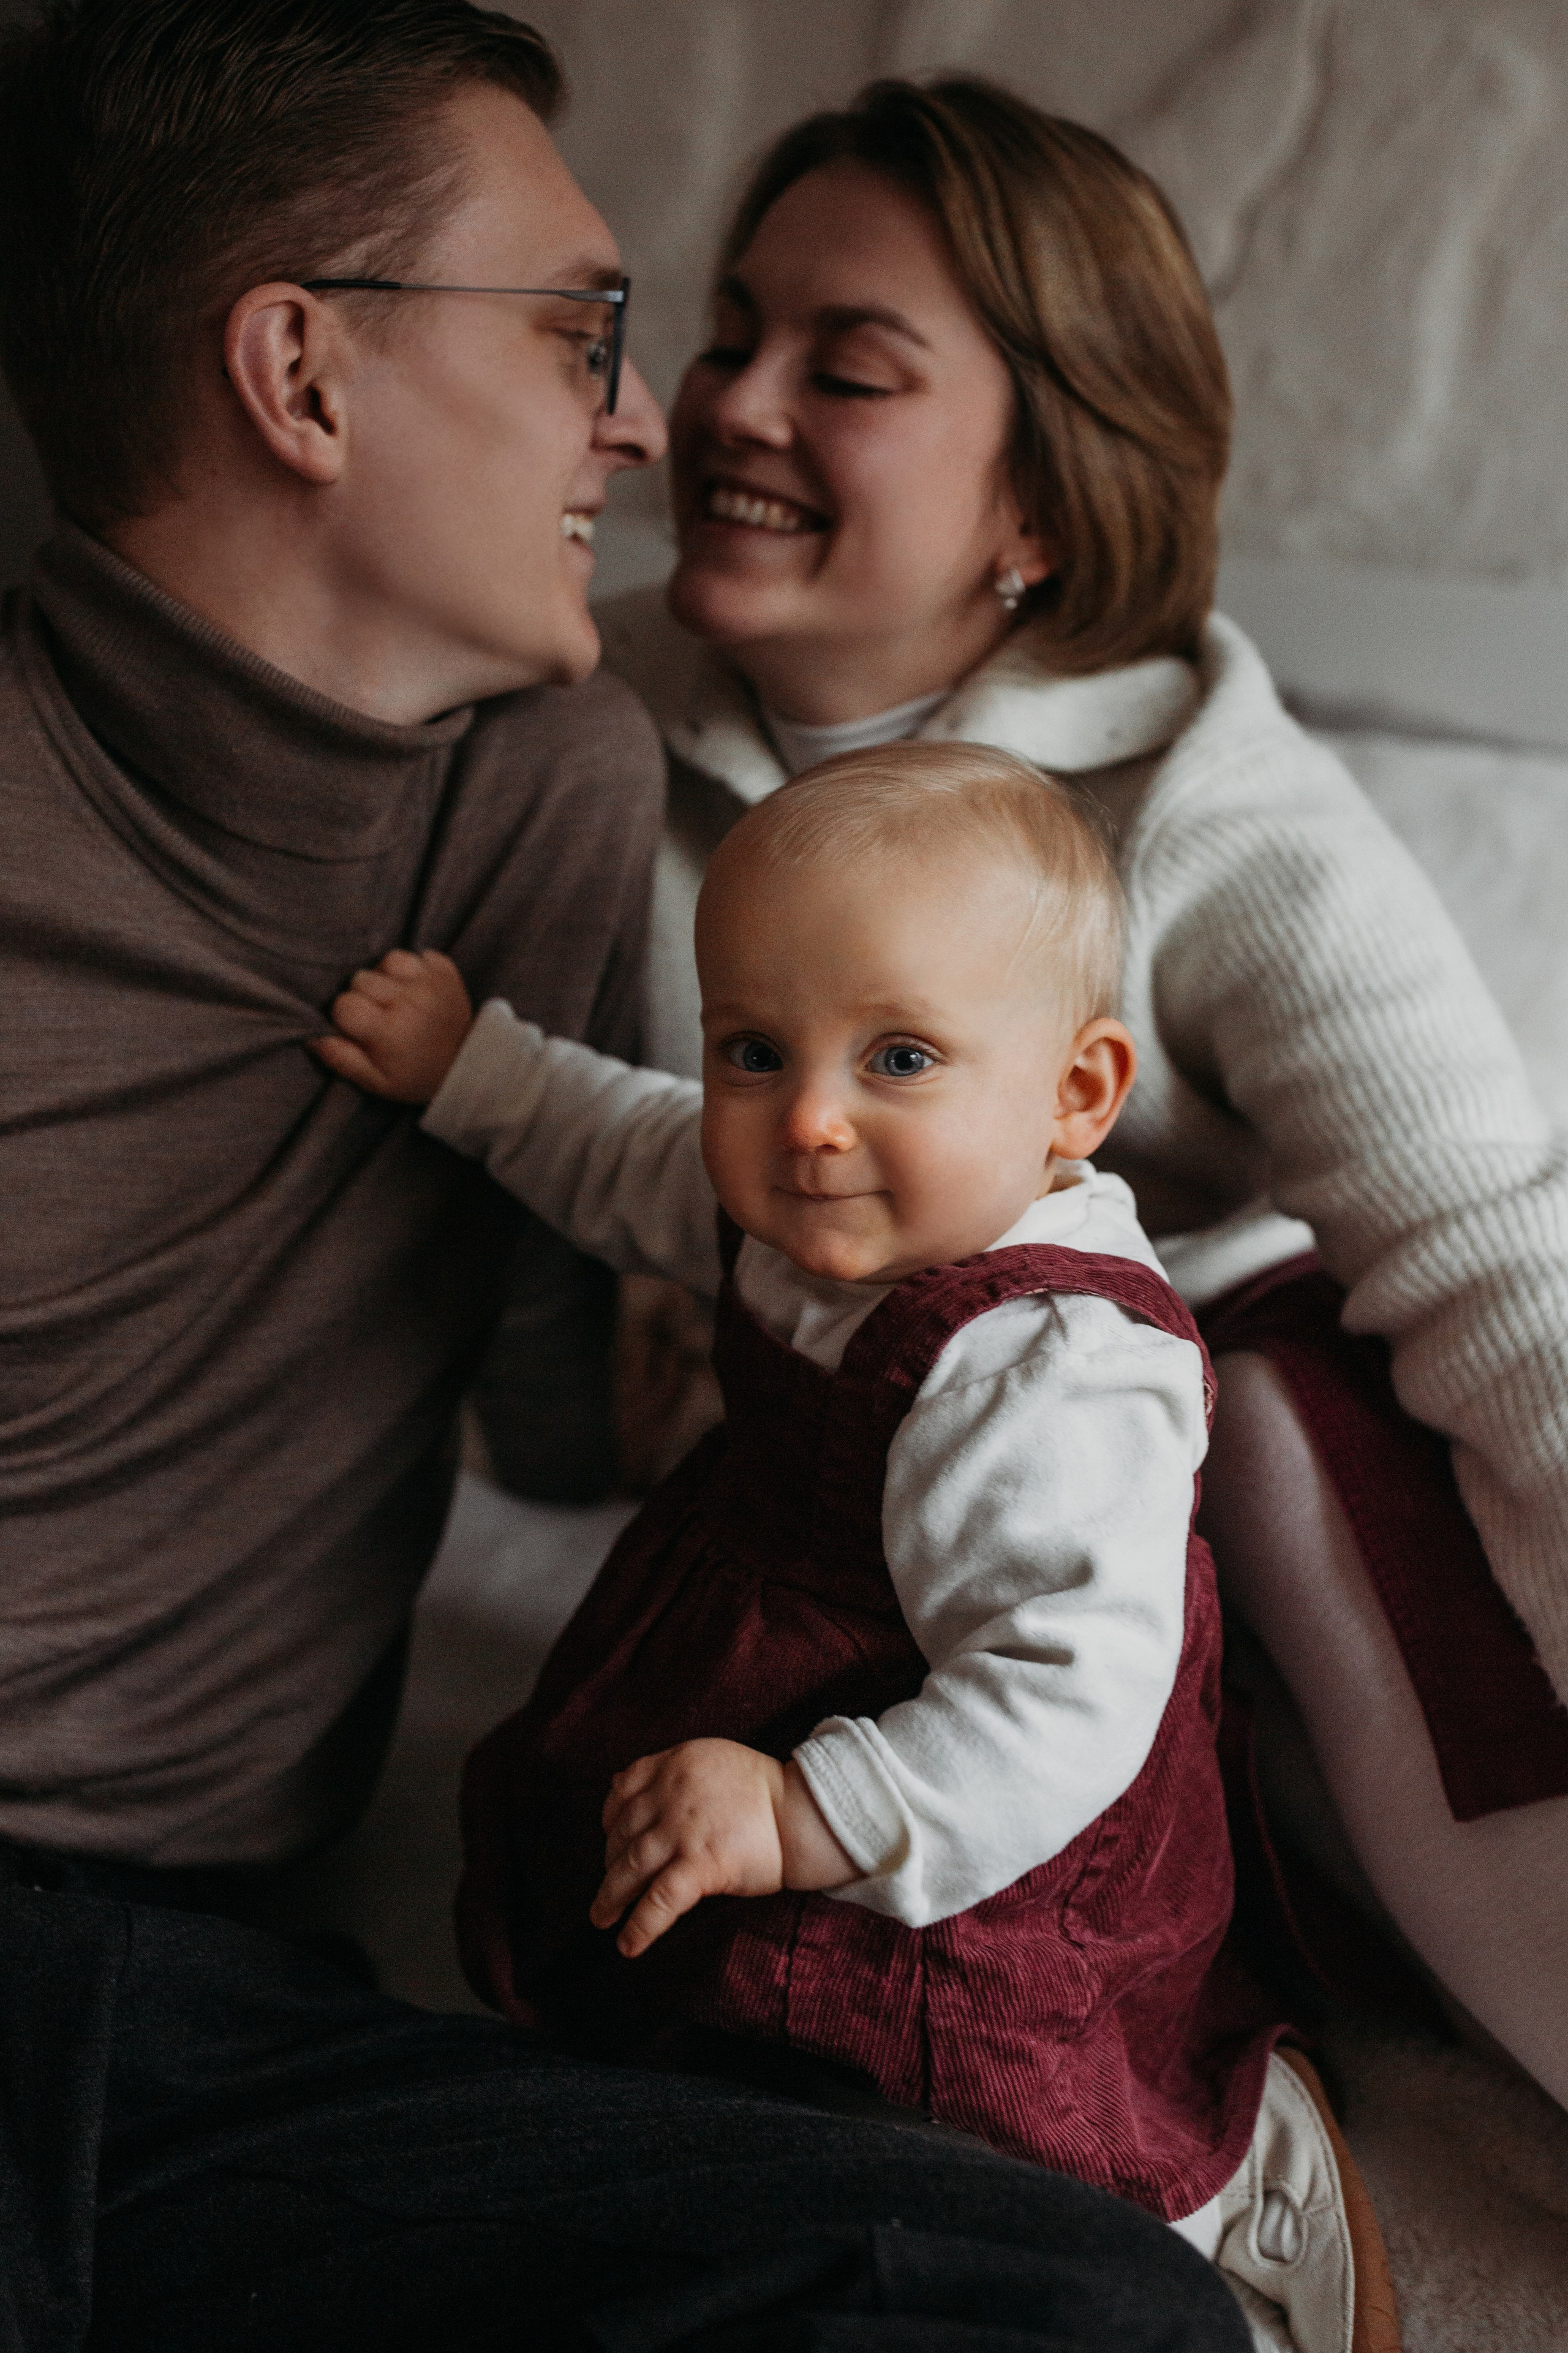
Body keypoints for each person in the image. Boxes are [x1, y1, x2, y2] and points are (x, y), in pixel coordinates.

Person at [0, 6, 1262, 2346]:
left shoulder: (551, 782)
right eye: (590, 327)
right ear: (299, 375)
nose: (640, 415)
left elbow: (596, 1263)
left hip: (195, 2007)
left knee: (1076, 2309)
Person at [594, 74, 1568, 2110]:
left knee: (1297, 1457)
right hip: (837, 1464)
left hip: (1171, 1420)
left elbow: (1489, 1251)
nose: (731, 404)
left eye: (844, 368)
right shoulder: (586, 714)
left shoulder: (1210, 807)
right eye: (725, 333)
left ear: (1039, 503)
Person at [320, 742, 1400, 2353]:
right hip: (767, 1665)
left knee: (991, 2070)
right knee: (690, 1974)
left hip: (983, 1788)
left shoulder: (1051, 1370)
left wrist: (809, 1805)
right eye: (755, 1048)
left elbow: (1070, 1695)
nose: (809, 1118)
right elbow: (629, 1143)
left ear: (1077, 1096)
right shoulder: (805, 1191)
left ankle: (1225, 2190)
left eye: (899, 1055)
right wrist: (476, 1070)